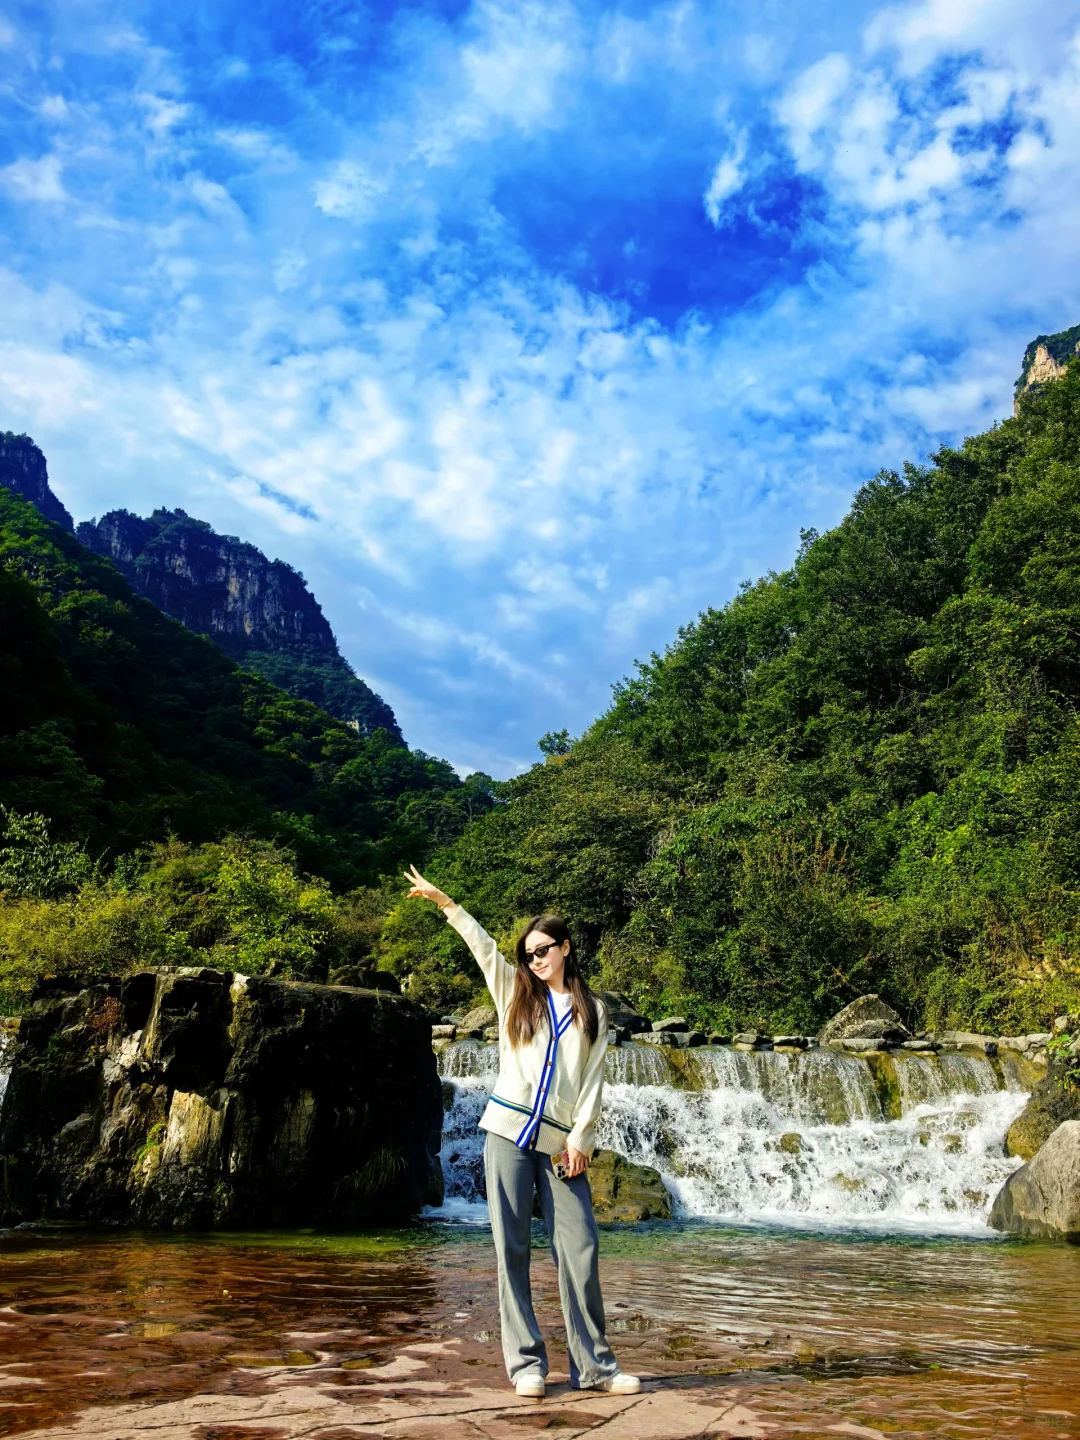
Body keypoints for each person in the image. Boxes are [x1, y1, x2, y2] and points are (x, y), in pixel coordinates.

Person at [404, 865, 641, 1401]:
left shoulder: (594, 1011)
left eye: (543, 950)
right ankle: (526, 1365)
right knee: (510, 1250)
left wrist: (581, 1140)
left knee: (579, 1250)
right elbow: (482, 946)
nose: (534, 960)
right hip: (505, 1135)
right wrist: (446, 903)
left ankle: (596, 1367)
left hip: (560, 1145)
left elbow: (593, 1084)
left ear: (565, 948)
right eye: (529, 954)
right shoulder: (515, 992)